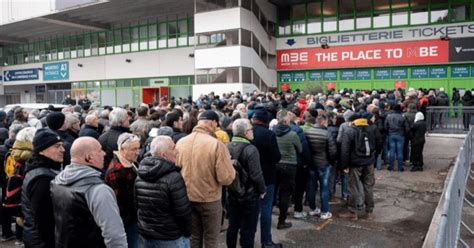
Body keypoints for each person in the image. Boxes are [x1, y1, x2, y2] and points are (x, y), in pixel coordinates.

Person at [51, 137, 127, 247]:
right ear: (89, 157)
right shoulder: (99, 190)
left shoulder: (57, 181)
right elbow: (114, 235)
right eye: (100, 150)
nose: (104, 153)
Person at [175, 110, 235, 248]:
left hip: (187, 197)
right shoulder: (216, 144)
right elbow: (226, 178)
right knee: (211, 240)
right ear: (213, 123)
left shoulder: (181, 142)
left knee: (194, 238)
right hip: (210, 199)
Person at [136, 136, 192, 248]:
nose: (177, 151)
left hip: (148, 236)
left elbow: (138, 206)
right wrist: (187, 232)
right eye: (173, 148)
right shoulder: (173, 178)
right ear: (163, 155)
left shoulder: (140, 174)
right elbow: (182, 212)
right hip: (171, 238)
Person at [226, 119, 266, 248]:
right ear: (245, 132)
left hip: (232, 192)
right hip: (249, 195)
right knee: (248, 229)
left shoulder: (227, 146)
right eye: (250, 129)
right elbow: (256, 175)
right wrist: (262, 190)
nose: (252, 131)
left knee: (232, 225)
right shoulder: (251, 149)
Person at [22, 128, 64, 247]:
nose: (62, 149)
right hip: (41, 242)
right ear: (41, 151)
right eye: (57, 146)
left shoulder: (42, 168)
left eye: (61, 145)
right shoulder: (42, 179)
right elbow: (43, 220)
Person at [339, 114, 382, 221]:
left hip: (355, 163)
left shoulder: (350, 131)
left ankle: (352, 212)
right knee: (369, 186)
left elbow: (344, 150)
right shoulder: (372, 128)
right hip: (369, 162)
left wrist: (345, 165)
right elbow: (380, 143)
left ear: (352, 121)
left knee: (353, 187)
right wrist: (374, 156)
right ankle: (369, 212)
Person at [251, 108, 282, 248]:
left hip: (249, 177)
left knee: (250, 209)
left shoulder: (246, 131)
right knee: (265, 209)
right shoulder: (269, 134)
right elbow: (276, 157)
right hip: (266, 177)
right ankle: (266, 241)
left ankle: (248, 239)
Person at [105, 133, 140, 248]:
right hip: (127, 221)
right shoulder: (117, 171)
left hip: (133, 217)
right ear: (122, 149)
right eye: (133, 149)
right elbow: (119, 201)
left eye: (138, 148)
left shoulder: (129, 162)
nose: (137, 152)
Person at [273, 109, 302, 229]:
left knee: (273, 191)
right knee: (285, 194)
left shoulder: (272, 132)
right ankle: (282, 220)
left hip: (275, 164)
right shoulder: (293, 134)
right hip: (289, 165)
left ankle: (268, 215)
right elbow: (300, 149)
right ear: (285, 120)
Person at [305, 115, 337, 220]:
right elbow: (332, 151)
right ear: (323, 122)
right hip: (324, 164)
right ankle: (324, 212)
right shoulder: (327, 133)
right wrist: (331, 162)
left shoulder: (308, 132)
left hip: (312, 163)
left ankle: (313, 208)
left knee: (311, 187)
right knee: (324, 188)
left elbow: (305, 148)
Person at [384, 104, 409, 172]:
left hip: (391, 135)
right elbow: (406, 128)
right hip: (400, 135)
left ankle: (391, 167)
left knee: (392, 151)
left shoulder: (389, 116)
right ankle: (400, 168)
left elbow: (385, 126)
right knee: (400, 151)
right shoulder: (402, 116)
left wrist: (388, 132)